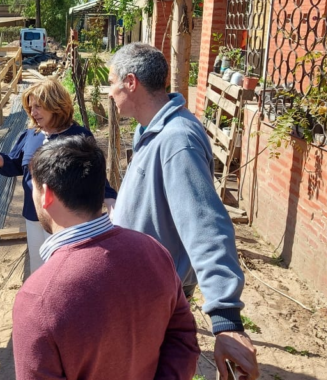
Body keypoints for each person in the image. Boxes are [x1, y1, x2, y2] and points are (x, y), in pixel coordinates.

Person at [107, 42, 259, 380]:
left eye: (112, 81)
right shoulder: (149, 129)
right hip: (140, 283)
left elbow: (206, 225)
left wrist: (226, 318)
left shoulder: (177, 140)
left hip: (156, 294)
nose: (109, 91)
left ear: (131, 83)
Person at [12, 135, 200, 380]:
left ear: (46, 194)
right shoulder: (153, 251)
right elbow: (183, 337)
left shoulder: (37, 298)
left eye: (33, 186)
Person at [0, 78, 117, 273]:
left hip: (68, 218)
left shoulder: (79, 137)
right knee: (39, 264)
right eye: (31, 107)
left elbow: (95, 175)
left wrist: (110, 200)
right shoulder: (31, 135)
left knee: (67, 268)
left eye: (39, 107)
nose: (33, 112)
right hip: (34, 215)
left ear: (56, 105)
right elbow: (16, 165)